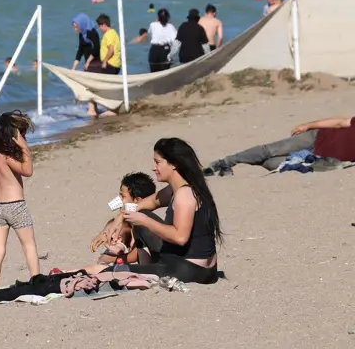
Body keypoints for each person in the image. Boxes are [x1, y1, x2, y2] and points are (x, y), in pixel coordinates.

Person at [104, 138, 222, 284]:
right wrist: (120, 218)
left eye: (157, 162)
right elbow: (148, 203)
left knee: (110, 272)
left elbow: (180, 237)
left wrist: (145, 221)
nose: (153, 168)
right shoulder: (182, 188)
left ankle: (147, 272)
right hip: (202, 269)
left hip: (190, 270)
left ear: (173, 164)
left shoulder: (184, 194)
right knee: (142, 215)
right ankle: (147, 269)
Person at [0, 111, 41, 290]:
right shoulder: (7, 156)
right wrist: (24, 148)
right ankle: (36, 282)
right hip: (15, 206)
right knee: (29, 245)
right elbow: (28, 171)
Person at [203, 116, 355, 176]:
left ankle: (241, 164)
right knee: (270, 150)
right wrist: (308, 125)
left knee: (272, 163)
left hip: (317, 158)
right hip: (316, 137)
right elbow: (340, 122)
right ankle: (226, 162)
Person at [90, 172, 163, 266]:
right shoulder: (139, 219)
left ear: (137, 200)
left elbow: (135, 255)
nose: (119, 200)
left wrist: (112, 259)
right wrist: (105, 232)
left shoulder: (141, 221)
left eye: (123, 196)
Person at [147, 8, 177, 72]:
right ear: (168, 17)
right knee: (165, 72)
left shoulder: (152, 25)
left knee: (153, 72)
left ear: (158, 17)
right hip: (164, 51)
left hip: (153, 51)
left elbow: (149, 37)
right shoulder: (170, 27)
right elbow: (175, 42)